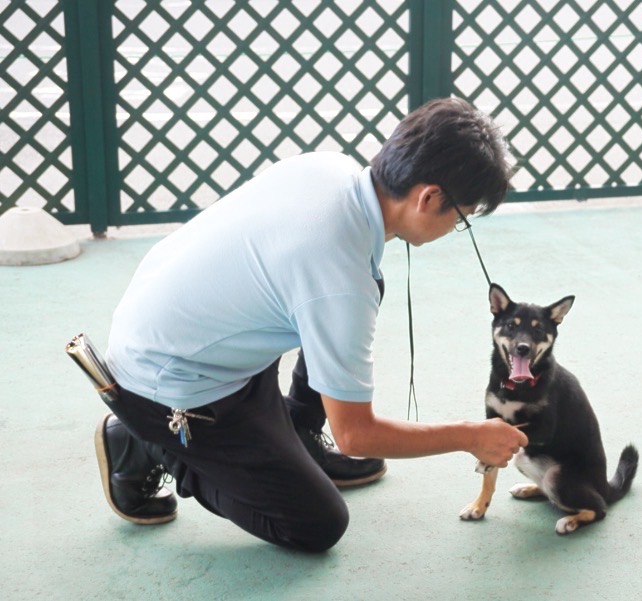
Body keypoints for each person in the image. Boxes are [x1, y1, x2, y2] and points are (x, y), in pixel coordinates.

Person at [95, 97, 528, 552]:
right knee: (314, 524)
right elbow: (356, 435)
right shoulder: (340, 279)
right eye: (461, 218)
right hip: (172, 389)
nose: (455, 228)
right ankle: (145, 443)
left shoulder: (330, 168)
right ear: (429, 198)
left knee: (353, 292)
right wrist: (471, 436)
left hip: (179, 331)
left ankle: (298, 436)